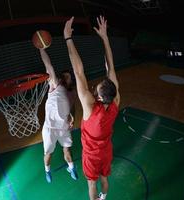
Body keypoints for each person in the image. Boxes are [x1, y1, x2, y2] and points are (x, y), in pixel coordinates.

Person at [64, 16, 120, 200]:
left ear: (99, 97)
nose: (95, 86)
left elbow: (78, 72)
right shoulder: (115, 101)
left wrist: (68, 39)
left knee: (91, 184)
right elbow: (110, 66)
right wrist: (104, 37)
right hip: (106, 151)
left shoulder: (89, 107)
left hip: (92, 156)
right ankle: (104, 197)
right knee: (104, 179)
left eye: (96, 88)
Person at [40, 48, 78, 183]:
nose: (69, 78)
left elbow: (72, 107)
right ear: (62, 78)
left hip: (64, 127)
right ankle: (47, 171)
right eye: (67, 76)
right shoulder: (55, 85)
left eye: (70, 76)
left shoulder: (72, 92)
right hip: (50, 128)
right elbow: (48, 66)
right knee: (48, 154)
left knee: (67, 150)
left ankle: (72, 168)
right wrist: (41, 50)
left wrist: (73, 117)